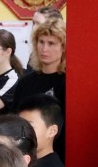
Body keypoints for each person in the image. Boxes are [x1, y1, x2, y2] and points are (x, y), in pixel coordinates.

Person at [13, 18, 68, 156]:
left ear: (63, 47)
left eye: (51, 43)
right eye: (41, 42)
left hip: (56, 152)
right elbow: (15, 117)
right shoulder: (25, 82)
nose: (44, 49)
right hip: (24, 149)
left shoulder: (67, 83)